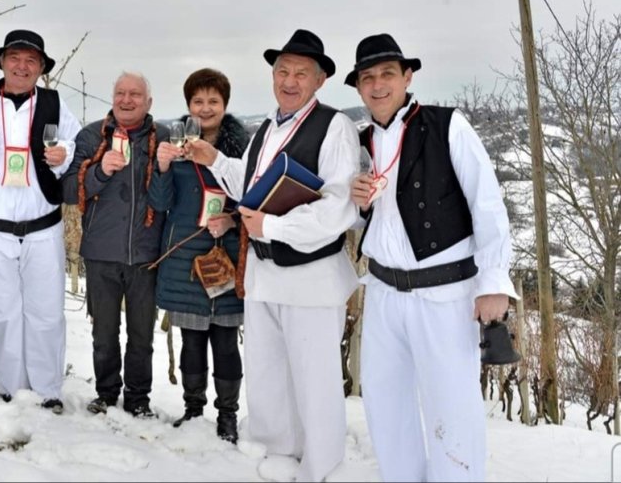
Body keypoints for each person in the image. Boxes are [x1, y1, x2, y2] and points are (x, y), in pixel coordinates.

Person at [188, 30, 361, 482]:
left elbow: (339, 206)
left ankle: (322, 464)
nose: (289, 80)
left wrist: (276, 227)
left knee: (314, 377)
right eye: (282, 71)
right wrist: (214, 160)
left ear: (320, 80)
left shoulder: (334, 126)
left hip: (311, 275)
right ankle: (279, 449)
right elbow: (250, 186)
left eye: (300, 73)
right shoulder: (267, 126)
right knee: (269, 370)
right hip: (265, 272)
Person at [347, 33, 517, 482]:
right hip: (383, 292)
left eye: (387, 74)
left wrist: (494, 283)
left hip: (444, 294)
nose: (378, 85)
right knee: (385, 405)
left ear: (407, 77)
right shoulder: (361, 142)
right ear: (359, 87)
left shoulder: (447, 125)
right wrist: (357, 202)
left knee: (451, 408)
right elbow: (372, 218)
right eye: (368, 78)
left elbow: (487, 203)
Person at [0, 29, 81, 414]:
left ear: (42, 68)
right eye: (16, 58)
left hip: (43, 225)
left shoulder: (56, 104)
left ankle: (48, 390)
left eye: (32, 61)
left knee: (46, 312)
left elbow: (75, 148)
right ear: (2, 61)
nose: (22, 66)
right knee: (0, 312)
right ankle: (11, 387)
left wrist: (65, 155)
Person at [148, 68, 249, 443]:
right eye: (198, 101)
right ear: (188, 104)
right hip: (184, 255)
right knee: (191, 339)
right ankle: (193, 410)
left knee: (225, 340)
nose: (205, 109)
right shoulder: (176, 145)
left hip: (226, 252)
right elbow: (160, 203)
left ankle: (227, 415)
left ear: (225, 104)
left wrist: (234, 220)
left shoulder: (242, 149)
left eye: (213, 101)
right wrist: (161, 166)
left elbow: (256, 200)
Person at [62, 72, 168, 418]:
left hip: (146, 254)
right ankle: (106, 393)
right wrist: (100, 172)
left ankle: (138, 397)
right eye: (120, 92)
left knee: (142, 335)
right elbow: (66, 191)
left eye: (135, 94)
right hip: (101, 252)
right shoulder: (92, 136)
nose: (126, 99)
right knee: (104, 333)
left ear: (148, 102)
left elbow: (172, 196)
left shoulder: (163, 139)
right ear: (112, 97)